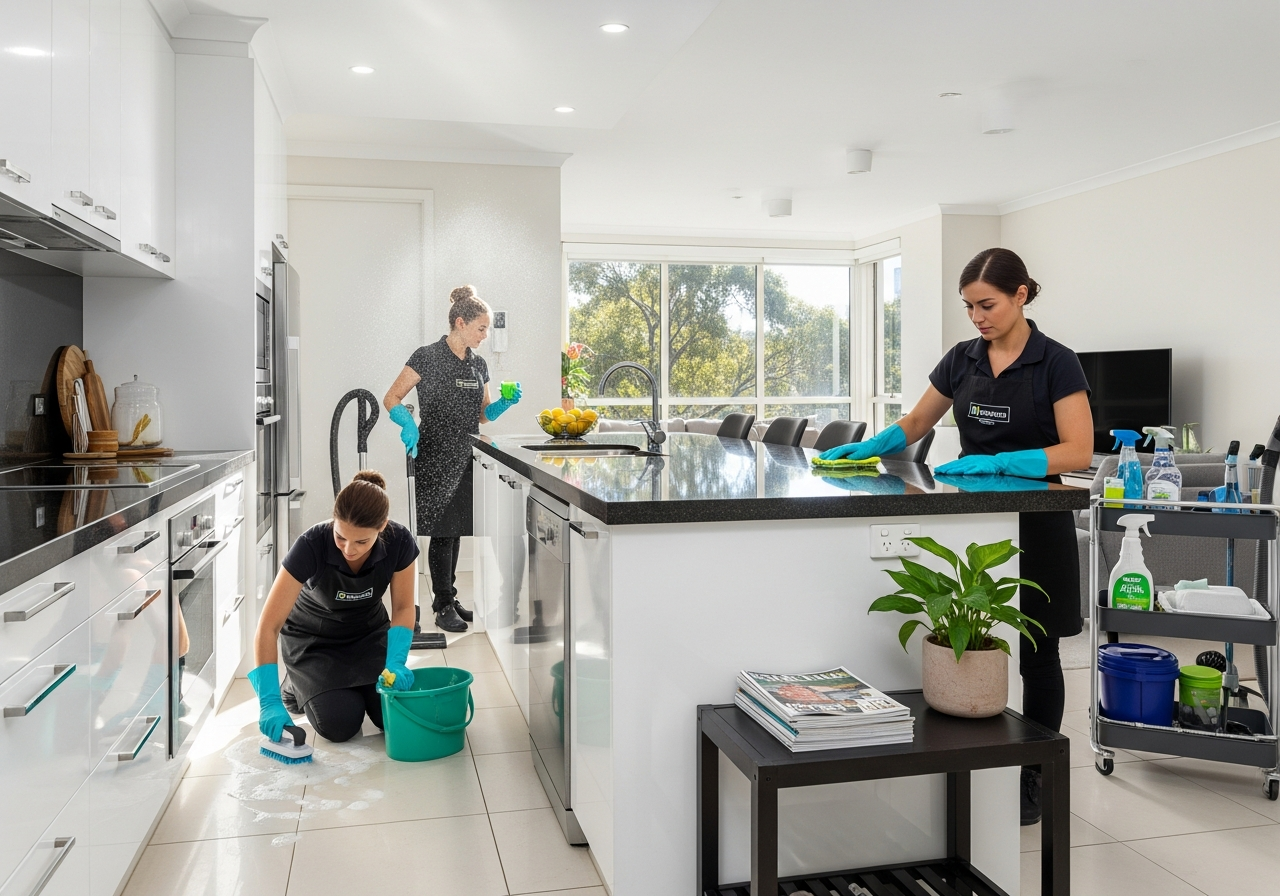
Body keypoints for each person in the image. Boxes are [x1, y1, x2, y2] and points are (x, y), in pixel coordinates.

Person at [820, 247, 1093, 825]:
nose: (977, 317)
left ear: (1021, 295)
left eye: (987, 305)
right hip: (974, 525)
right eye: (969, 307)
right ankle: (971, 762)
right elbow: (918, 421)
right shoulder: (962, 359)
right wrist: (871, 445)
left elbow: (1078, 451)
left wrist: (1004, 462)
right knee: (966, 643)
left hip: (1038, 524)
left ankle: (1034, 777)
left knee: (1038, 654)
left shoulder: (1057, 362)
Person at [383, 285, 522, 633]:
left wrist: (503, 404)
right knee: (443, 531)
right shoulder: (426, 356)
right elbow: (391, 398)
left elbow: (483, 415)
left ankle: (449, 597)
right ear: (460, 322)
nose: (485, 335)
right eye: (481, 328)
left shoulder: (479, 364)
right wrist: (407, 424)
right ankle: (443, 604)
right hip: (433, 452)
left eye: (486, 329)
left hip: (467, 454)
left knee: (457, 529)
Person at [248, 471, 419, 744]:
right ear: (333, 522)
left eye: (361, 542)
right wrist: (268, 701)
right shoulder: (311, 544)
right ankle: (294, 685)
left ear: (382, 527)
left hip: (368, 634)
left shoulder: (399, 540)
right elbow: (268, 627)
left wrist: (396, 663)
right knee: (340, 724)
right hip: (314, 642)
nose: (349, 549)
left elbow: (403, 608)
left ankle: (351, 686)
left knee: (391, 714)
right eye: (340, 537)